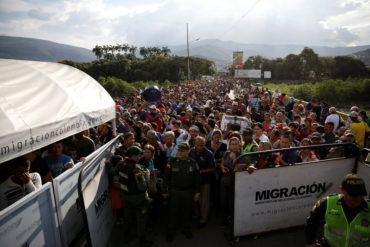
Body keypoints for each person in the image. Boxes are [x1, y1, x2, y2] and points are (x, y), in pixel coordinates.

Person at [305, 173, 369, 247]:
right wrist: (310, 242)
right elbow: (311, 222)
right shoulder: (327, 203)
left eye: (361, 194)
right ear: (342, 190)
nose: (358, 198)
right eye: (353, 195)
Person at [162, 142, 201, 242]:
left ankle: (186, 229)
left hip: (187, 191)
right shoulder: (171, 161)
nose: (180, 152)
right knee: (172, 212)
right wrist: (165, 191)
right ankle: (170, 232)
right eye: (179, 150)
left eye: (182, 151)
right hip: (174, 191)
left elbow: (197, 179)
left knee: (186, 212)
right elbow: (166, 178)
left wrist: (197, 192)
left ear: (188, 151)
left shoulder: (192, 162)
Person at [115, 146, 152, 247]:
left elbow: (115, 174)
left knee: (127, 218)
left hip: (126, 197)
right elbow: (143, 187)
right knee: (141, 219)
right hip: (139, 199)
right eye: (138, 155)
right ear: (134, 156)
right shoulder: (137, 170)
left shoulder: (120, 163)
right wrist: (147, 176)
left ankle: (126, 237)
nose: (140, 157)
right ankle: (142, 240)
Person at [189, 136, 216, 227]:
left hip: (205, 180)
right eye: (198, 145)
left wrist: (201, 171)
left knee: (204, 201)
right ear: (194, 145)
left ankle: (203, 219)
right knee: (195, 199)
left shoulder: (209, 154)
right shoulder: (191, 151)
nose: (200, 147)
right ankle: (196, 215)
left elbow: (213, 168)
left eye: (202, 145)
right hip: (193, 180)